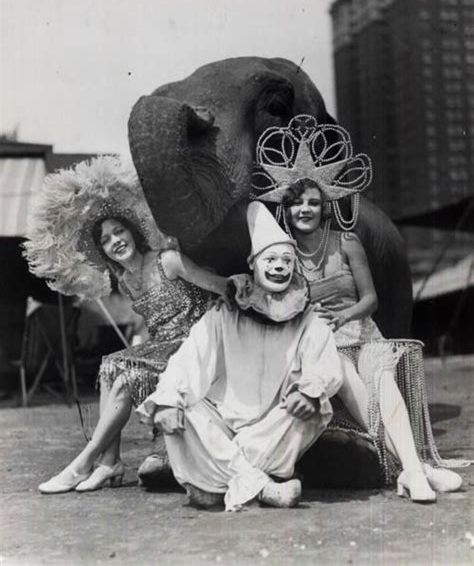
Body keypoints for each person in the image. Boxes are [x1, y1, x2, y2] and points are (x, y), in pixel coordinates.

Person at [251, 114, 463, 502]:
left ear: (324, 206)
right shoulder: (282, 256)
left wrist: (347, 315)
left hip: (364, 333)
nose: (305, 209)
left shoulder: (346, 240)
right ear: (287, 207)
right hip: (324, 345)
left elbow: (371, 299)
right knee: (355, 391)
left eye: (313, 203)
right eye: (297, 202)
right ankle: (418, 470)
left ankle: (414, 470)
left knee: (384, 388)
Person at [24, 156, 228, 494]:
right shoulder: (127, 281)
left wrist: (240, 289)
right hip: (165, 350)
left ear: (133, 233)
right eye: (106, 240)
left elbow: (218, 286)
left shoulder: (168, 260)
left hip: (195, 349)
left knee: (126, 373)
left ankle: (85, 461)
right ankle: (109, 462)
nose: (115, 241)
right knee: (109, 365)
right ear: (103, 251)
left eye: (119, 232)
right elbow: (156, 330)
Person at [137, 201, 343, 511]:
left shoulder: (307, 317)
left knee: (312, 408)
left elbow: (326, 363)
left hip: (269, 430)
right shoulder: (224, 314)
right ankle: (262, 486)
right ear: (254, 264)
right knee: (183, 408)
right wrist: (168, 400)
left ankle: (211, 483)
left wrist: (310, 390)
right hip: (223, 421)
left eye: (287, 260)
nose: (279, 266)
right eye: (271, 259)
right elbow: (189, 359)